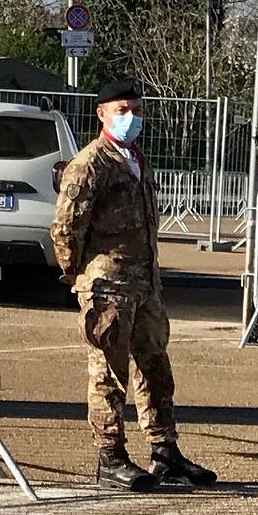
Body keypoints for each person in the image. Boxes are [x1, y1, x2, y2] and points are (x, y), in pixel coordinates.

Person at [51, 79, 217, 492]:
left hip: (144, 284)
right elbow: (66, 229)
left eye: (137, 110)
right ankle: (111, 457)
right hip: (107, 285)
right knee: (109, 373)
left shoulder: (135, 159)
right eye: (122, 110)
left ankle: (165, 453)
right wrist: (80, 278)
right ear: (102, 114)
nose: (132, 118)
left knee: (155, 367)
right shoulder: (90, 164)